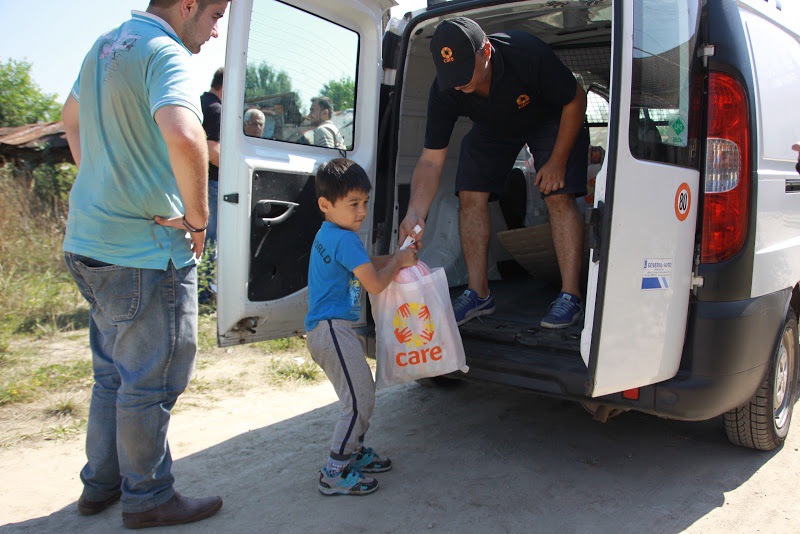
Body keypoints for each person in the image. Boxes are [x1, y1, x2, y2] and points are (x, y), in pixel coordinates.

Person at [60, 0, 229, 528]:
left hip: (88, 240)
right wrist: (198, 219)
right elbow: (183, 134)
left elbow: (70, 119)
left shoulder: (105, 45)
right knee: (150, 379)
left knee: (113, 373)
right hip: (142, 252)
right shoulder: (166, 52)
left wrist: (103, 184)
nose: (217, 28)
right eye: (215, 14)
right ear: (186, 7)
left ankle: (101, 486)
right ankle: (148, 495)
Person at [399, 17, 589, 329]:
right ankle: (479, 293)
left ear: (485, 50)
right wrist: (415, 213)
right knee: (470, 193)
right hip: (495, 127)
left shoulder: (525, 53)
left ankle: (570, 296)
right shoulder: (446, 88)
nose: (458, 83)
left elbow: (575, 98)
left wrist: (556, 161)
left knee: (557, 195)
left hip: (550, 119)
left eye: (463, 72)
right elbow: (431, 161)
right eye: (451, 76)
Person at [306, 158, 417, 496]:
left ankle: (352, 452)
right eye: (353, 203)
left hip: (328, 330)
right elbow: (375, 284)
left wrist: (398, 257)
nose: (362, 211)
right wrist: (398, 260)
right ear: (326, 204)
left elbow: (365, 268)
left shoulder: (330, 233)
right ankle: (334, 471)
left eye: (365, 202)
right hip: (332, 330)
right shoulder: (347, 240)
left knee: (359, 394)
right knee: (359, 400)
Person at [200, 67, 223, 248]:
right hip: (212, 183)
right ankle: (207, 275)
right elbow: (212, 151)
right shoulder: (216, 109)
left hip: (196, 180)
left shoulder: (200, 102)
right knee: (211, 240)